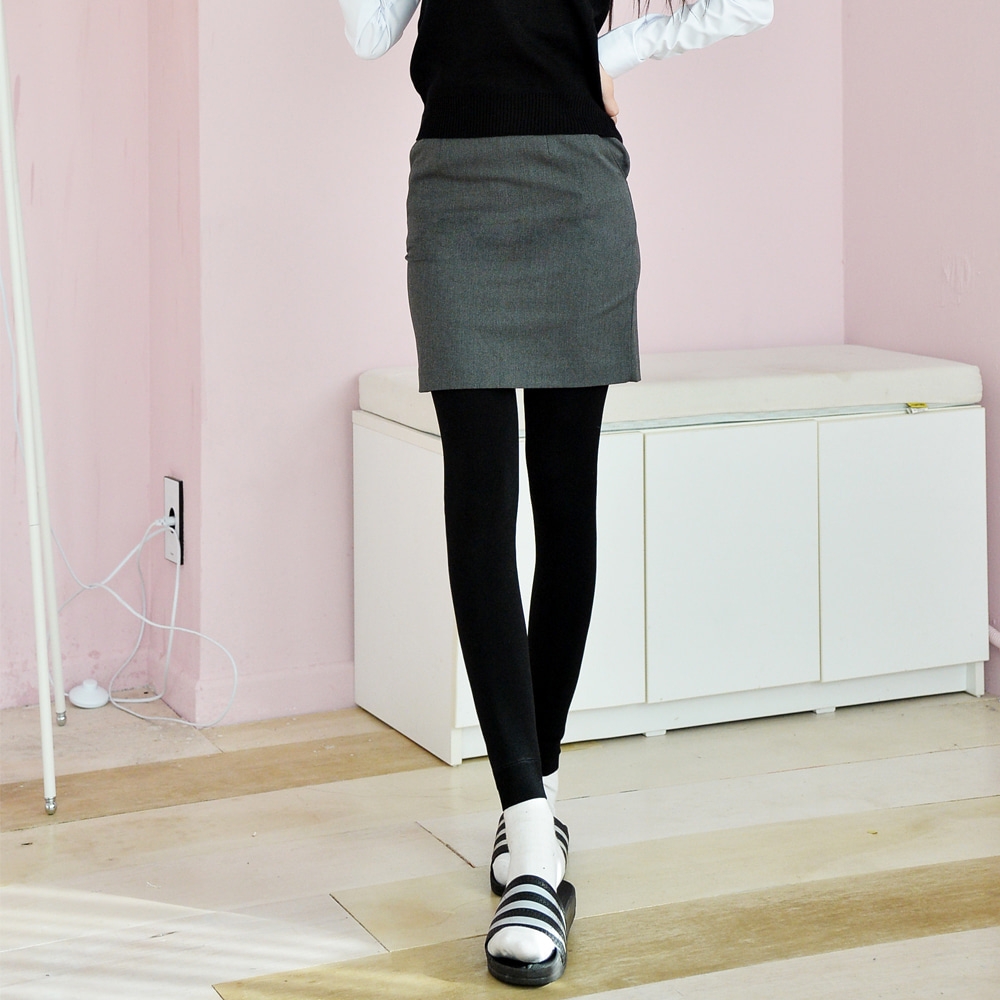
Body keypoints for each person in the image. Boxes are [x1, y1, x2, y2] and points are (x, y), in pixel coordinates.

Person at [338, 0, 774, 985]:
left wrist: (617, 46)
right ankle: (534, 843)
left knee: (565, 512)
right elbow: (366, 34)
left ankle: (531, 807)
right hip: (456, 195)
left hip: (577, 192)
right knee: (480, 511)